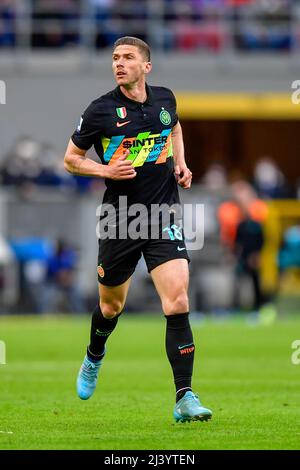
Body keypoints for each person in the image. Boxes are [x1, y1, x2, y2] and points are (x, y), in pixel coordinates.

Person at [64, 36, 212, 423]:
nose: (119, 63)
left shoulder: (165, 99)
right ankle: (95, 355)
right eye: (115, 58)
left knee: (177, 301)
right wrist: (105, 170)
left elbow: (175, 128)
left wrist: (180, 162)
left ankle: (185, 397)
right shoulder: (100, 111)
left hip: (162, 216)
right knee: (112, 306)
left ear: (146, 66)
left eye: (128, 57)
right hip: (120, 220)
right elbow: (70, 159)